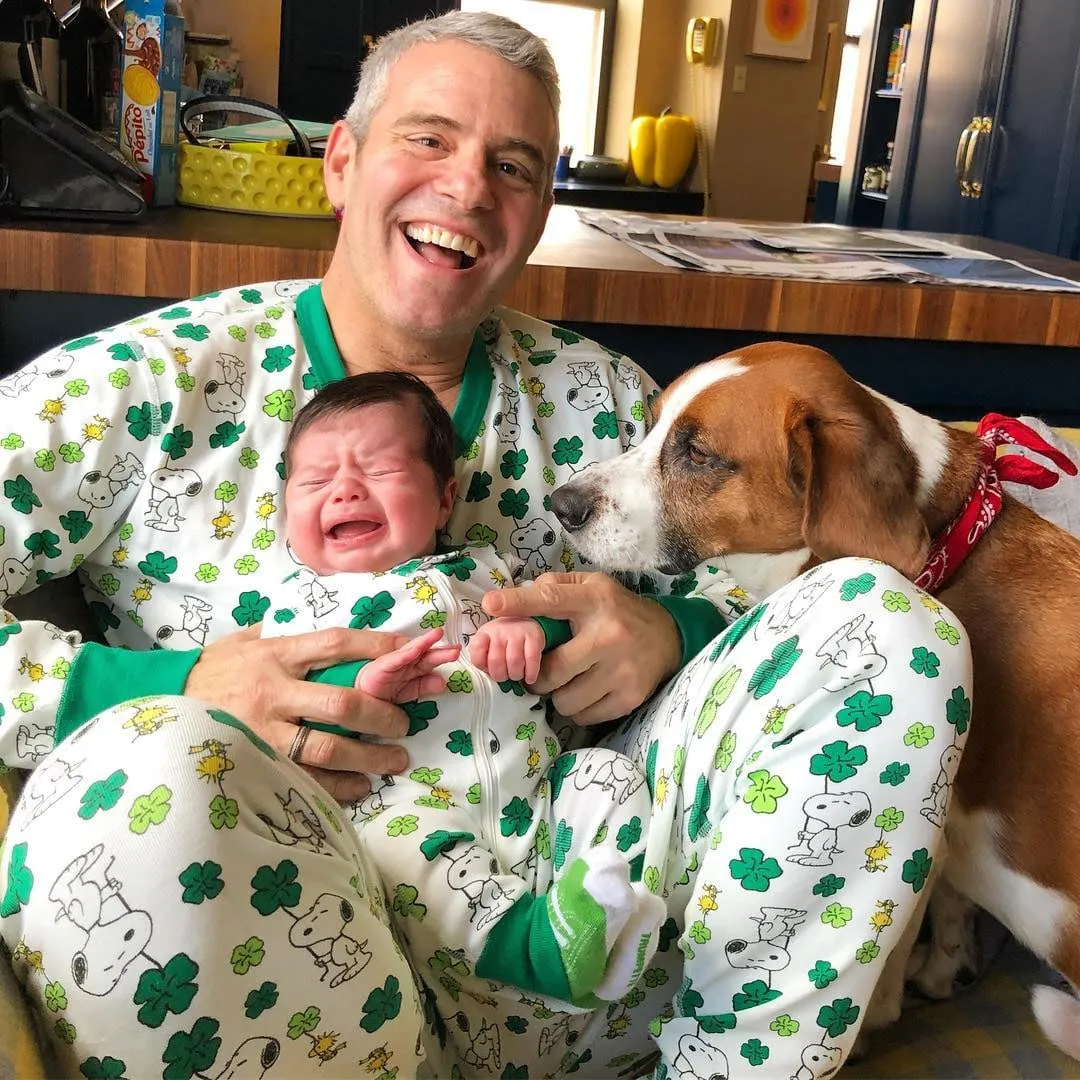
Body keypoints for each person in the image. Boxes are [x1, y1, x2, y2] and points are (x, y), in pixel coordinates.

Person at [0, 10, 971, 1079]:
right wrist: (174, 684)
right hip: (304, 976)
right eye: (428, 139)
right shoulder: (150, 384)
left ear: (542, 210)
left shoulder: (610, 404)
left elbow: (774, 620)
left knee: (892, 627)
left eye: (513, 165)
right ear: (340, 161)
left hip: (612, 956)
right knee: (140, 780)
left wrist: (672, 627)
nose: (468, 190)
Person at [269, 369, 664, 1016]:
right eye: (314, 482)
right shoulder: (300, 608)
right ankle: (536, 954)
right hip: (405, 802)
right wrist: (357, 686)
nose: (343, 490)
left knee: (605, 777)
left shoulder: (486, 572)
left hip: (534, 793)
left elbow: (568, 624)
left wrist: (531, 632)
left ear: (445, 498)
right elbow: (290, 710)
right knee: (401, 848)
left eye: (379, 470)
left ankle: (603, 920)